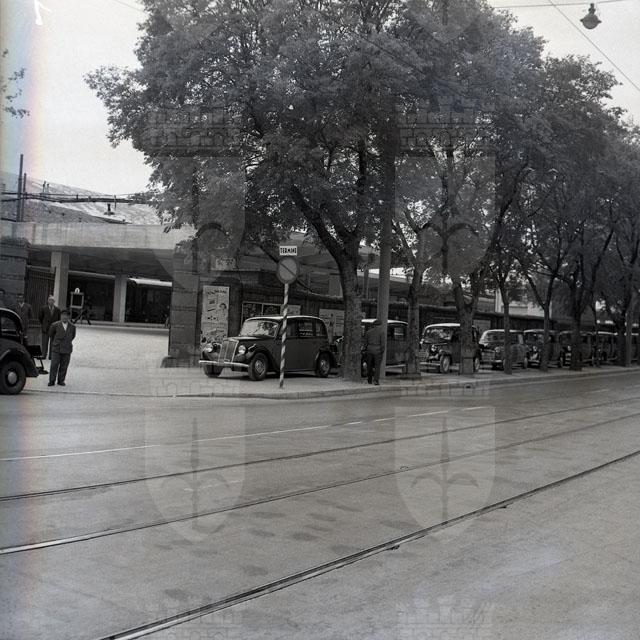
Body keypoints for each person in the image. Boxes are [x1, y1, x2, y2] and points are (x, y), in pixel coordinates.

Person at [48, 309, 76, 387]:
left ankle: (61, 380)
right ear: (60, 316)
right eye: (63, 315)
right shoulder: (54, 325)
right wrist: (56, 343)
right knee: (54, 365)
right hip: (57, 348)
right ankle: (52, 380)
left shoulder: (72, 327)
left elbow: (73, 336)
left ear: (69, 317)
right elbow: (51, 335)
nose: (64, 317)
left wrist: (66, 342)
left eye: (66, 315)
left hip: (67, 349)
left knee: (64, 366)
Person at [363, 319, 386, 385]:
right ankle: (376, 381)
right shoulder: (381, 332)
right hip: (378, 351)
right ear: (379, 325)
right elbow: (382, 344)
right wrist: (382, 351)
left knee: (369, 366)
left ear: (374, 325)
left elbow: (365, 343)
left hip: (369, 350)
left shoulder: (368, 332)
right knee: (377, 366)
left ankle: (369, 380)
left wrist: (365, 349)